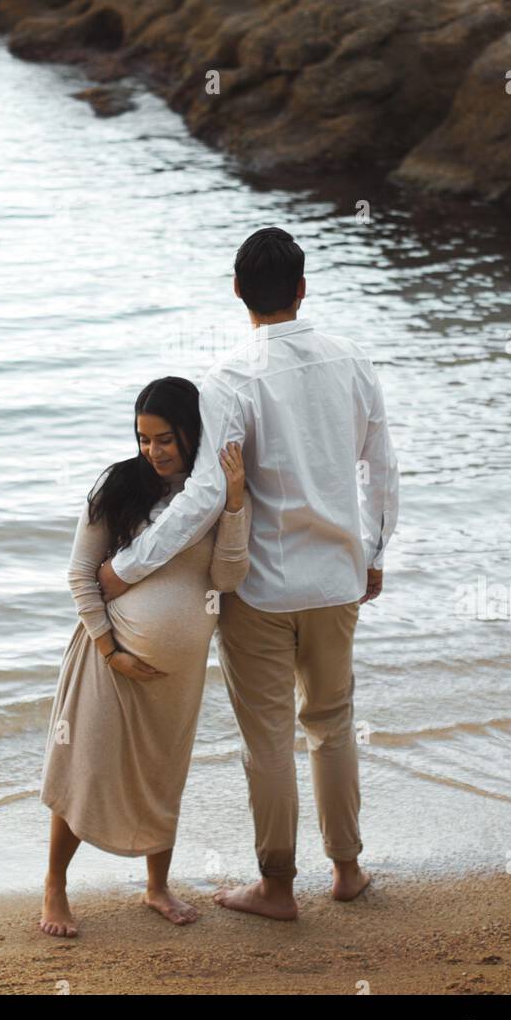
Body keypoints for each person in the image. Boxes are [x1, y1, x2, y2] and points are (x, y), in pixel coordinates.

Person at [98, 226, 399, 921]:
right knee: (332, 723)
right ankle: (347, 870)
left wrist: (125, 568)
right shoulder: (353, 360)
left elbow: (206, 495)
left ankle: (277, 886)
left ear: (238, 292)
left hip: (260, 588)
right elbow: (380, 470)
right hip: (337, 580)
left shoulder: (231, 377)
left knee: (267, 739)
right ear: (302, 287)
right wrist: (375, 554)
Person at [39, 376, 250, 937]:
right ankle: (55, 886)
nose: (153, 451)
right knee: (88, 769)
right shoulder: (118, 488)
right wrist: (112, 651)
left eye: (165, 439)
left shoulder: (210, 495)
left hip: (175, 676)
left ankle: (157, 887)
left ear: (190, 433)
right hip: (109, 663)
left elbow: (228, 577)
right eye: (143, 439)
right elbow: (81, 576)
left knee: (163, 774)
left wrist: (234, 506)